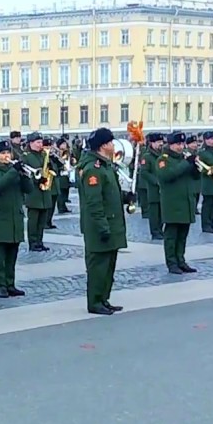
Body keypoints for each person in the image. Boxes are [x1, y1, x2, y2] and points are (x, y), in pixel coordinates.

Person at [78, 127, 128, 314]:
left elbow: (109, 194)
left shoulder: (106, 165)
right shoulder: (93, 169)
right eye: (110, 142)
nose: (113, 145)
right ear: (102, 146)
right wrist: (102, 227)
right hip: (99, 226)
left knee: (108, 266)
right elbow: (94, 203)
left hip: (111, 223)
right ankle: (95, 302)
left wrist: (125, 197)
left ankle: (104, 298)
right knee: (98, 267)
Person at [0, 141, 31, 297]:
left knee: (12, 254)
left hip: (15, 217)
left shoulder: (14, 171)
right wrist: (14, 171)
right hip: (0, 218)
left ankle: (10, 283)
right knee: (0, 256)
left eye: (8, 153)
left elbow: (29, 189)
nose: (7, 156)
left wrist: (25, 175)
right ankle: (0, 285)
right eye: (3, 154)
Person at [156, 132, 200, 274]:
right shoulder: (163, 160)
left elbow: (194, 177)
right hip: (172, 203)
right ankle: (172, 263)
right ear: (170, 144)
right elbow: (167, 175)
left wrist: (194, 167)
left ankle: (181, 260)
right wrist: (186, 164)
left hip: (186, 202)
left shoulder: (184, 158)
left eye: (182, 144)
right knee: (171, 236)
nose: (180, 147)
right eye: (177, 144)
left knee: (182, 235)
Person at [22, 133, 55, 252]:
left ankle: (40, 241)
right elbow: (25, 173)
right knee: (33, 220)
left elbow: (52, 169)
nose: (40, 145)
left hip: (45, 192)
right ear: (31, 143)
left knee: (42, 220)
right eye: (37, 142)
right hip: (33, 192)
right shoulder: (26, 156)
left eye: (41, 142)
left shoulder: (44, 155)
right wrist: (36, 179)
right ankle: (33, 242)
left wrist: (52, 164)